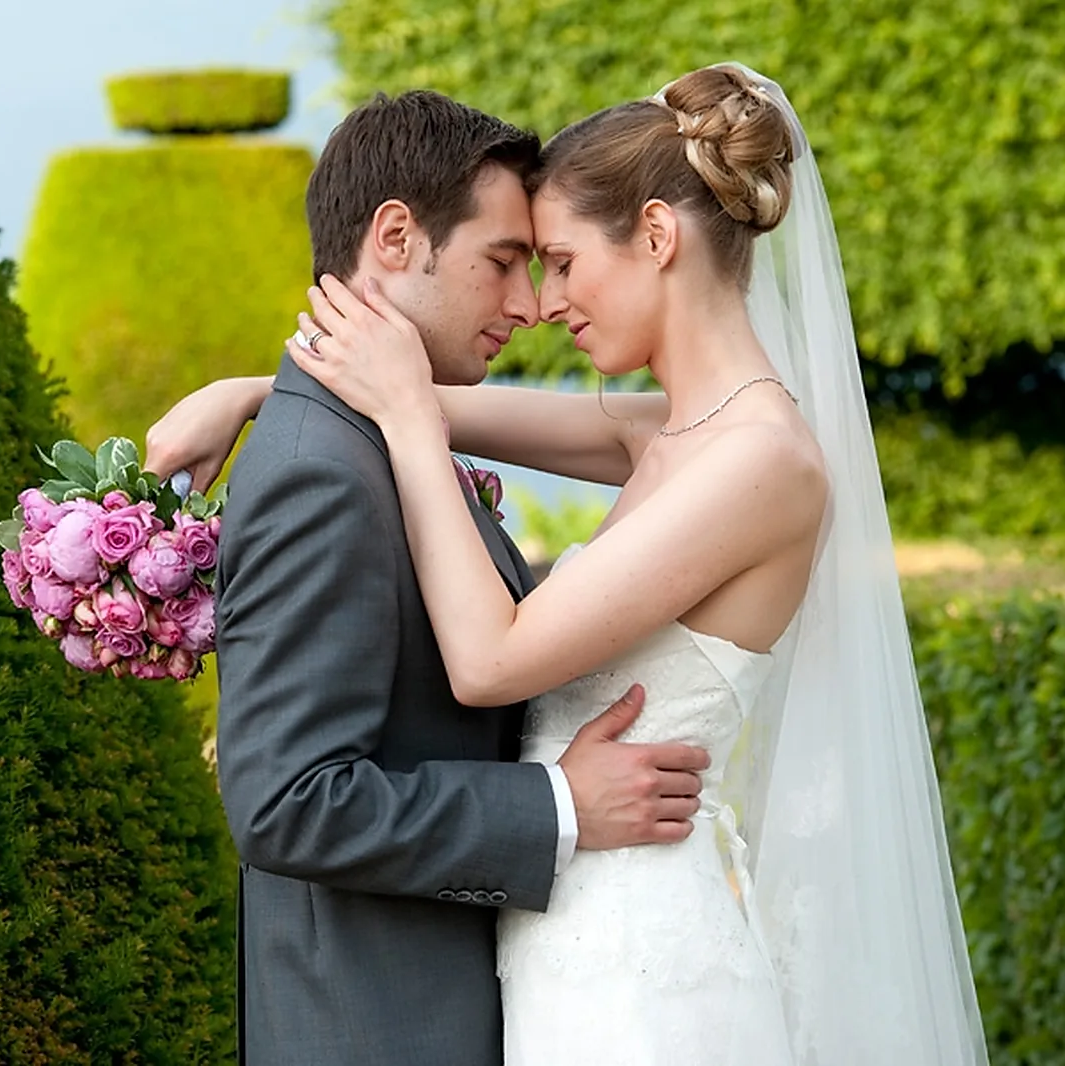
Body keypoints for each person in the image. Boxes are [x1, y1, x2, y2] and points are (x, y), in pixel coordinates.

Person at [151, 65, 988, 1064]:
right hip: (560, 942)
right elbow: (421, 393)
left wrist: (412, 428)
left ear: (657, 237)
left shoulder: (760, 461)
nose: (542, 304)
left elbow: (489, 661)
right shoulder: (667, 430)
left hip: (640, 962)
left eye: (553, 260)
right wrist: (251, 390)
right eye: (517, 262)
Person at [184, 89, 716, 1066]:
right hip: (375, 1028)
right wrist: (557, 805)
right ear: (396, 237)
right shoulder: (321, 472)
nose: (527, 306)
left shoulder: (381, 438)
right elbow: (285, 801)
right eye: (502, 262)